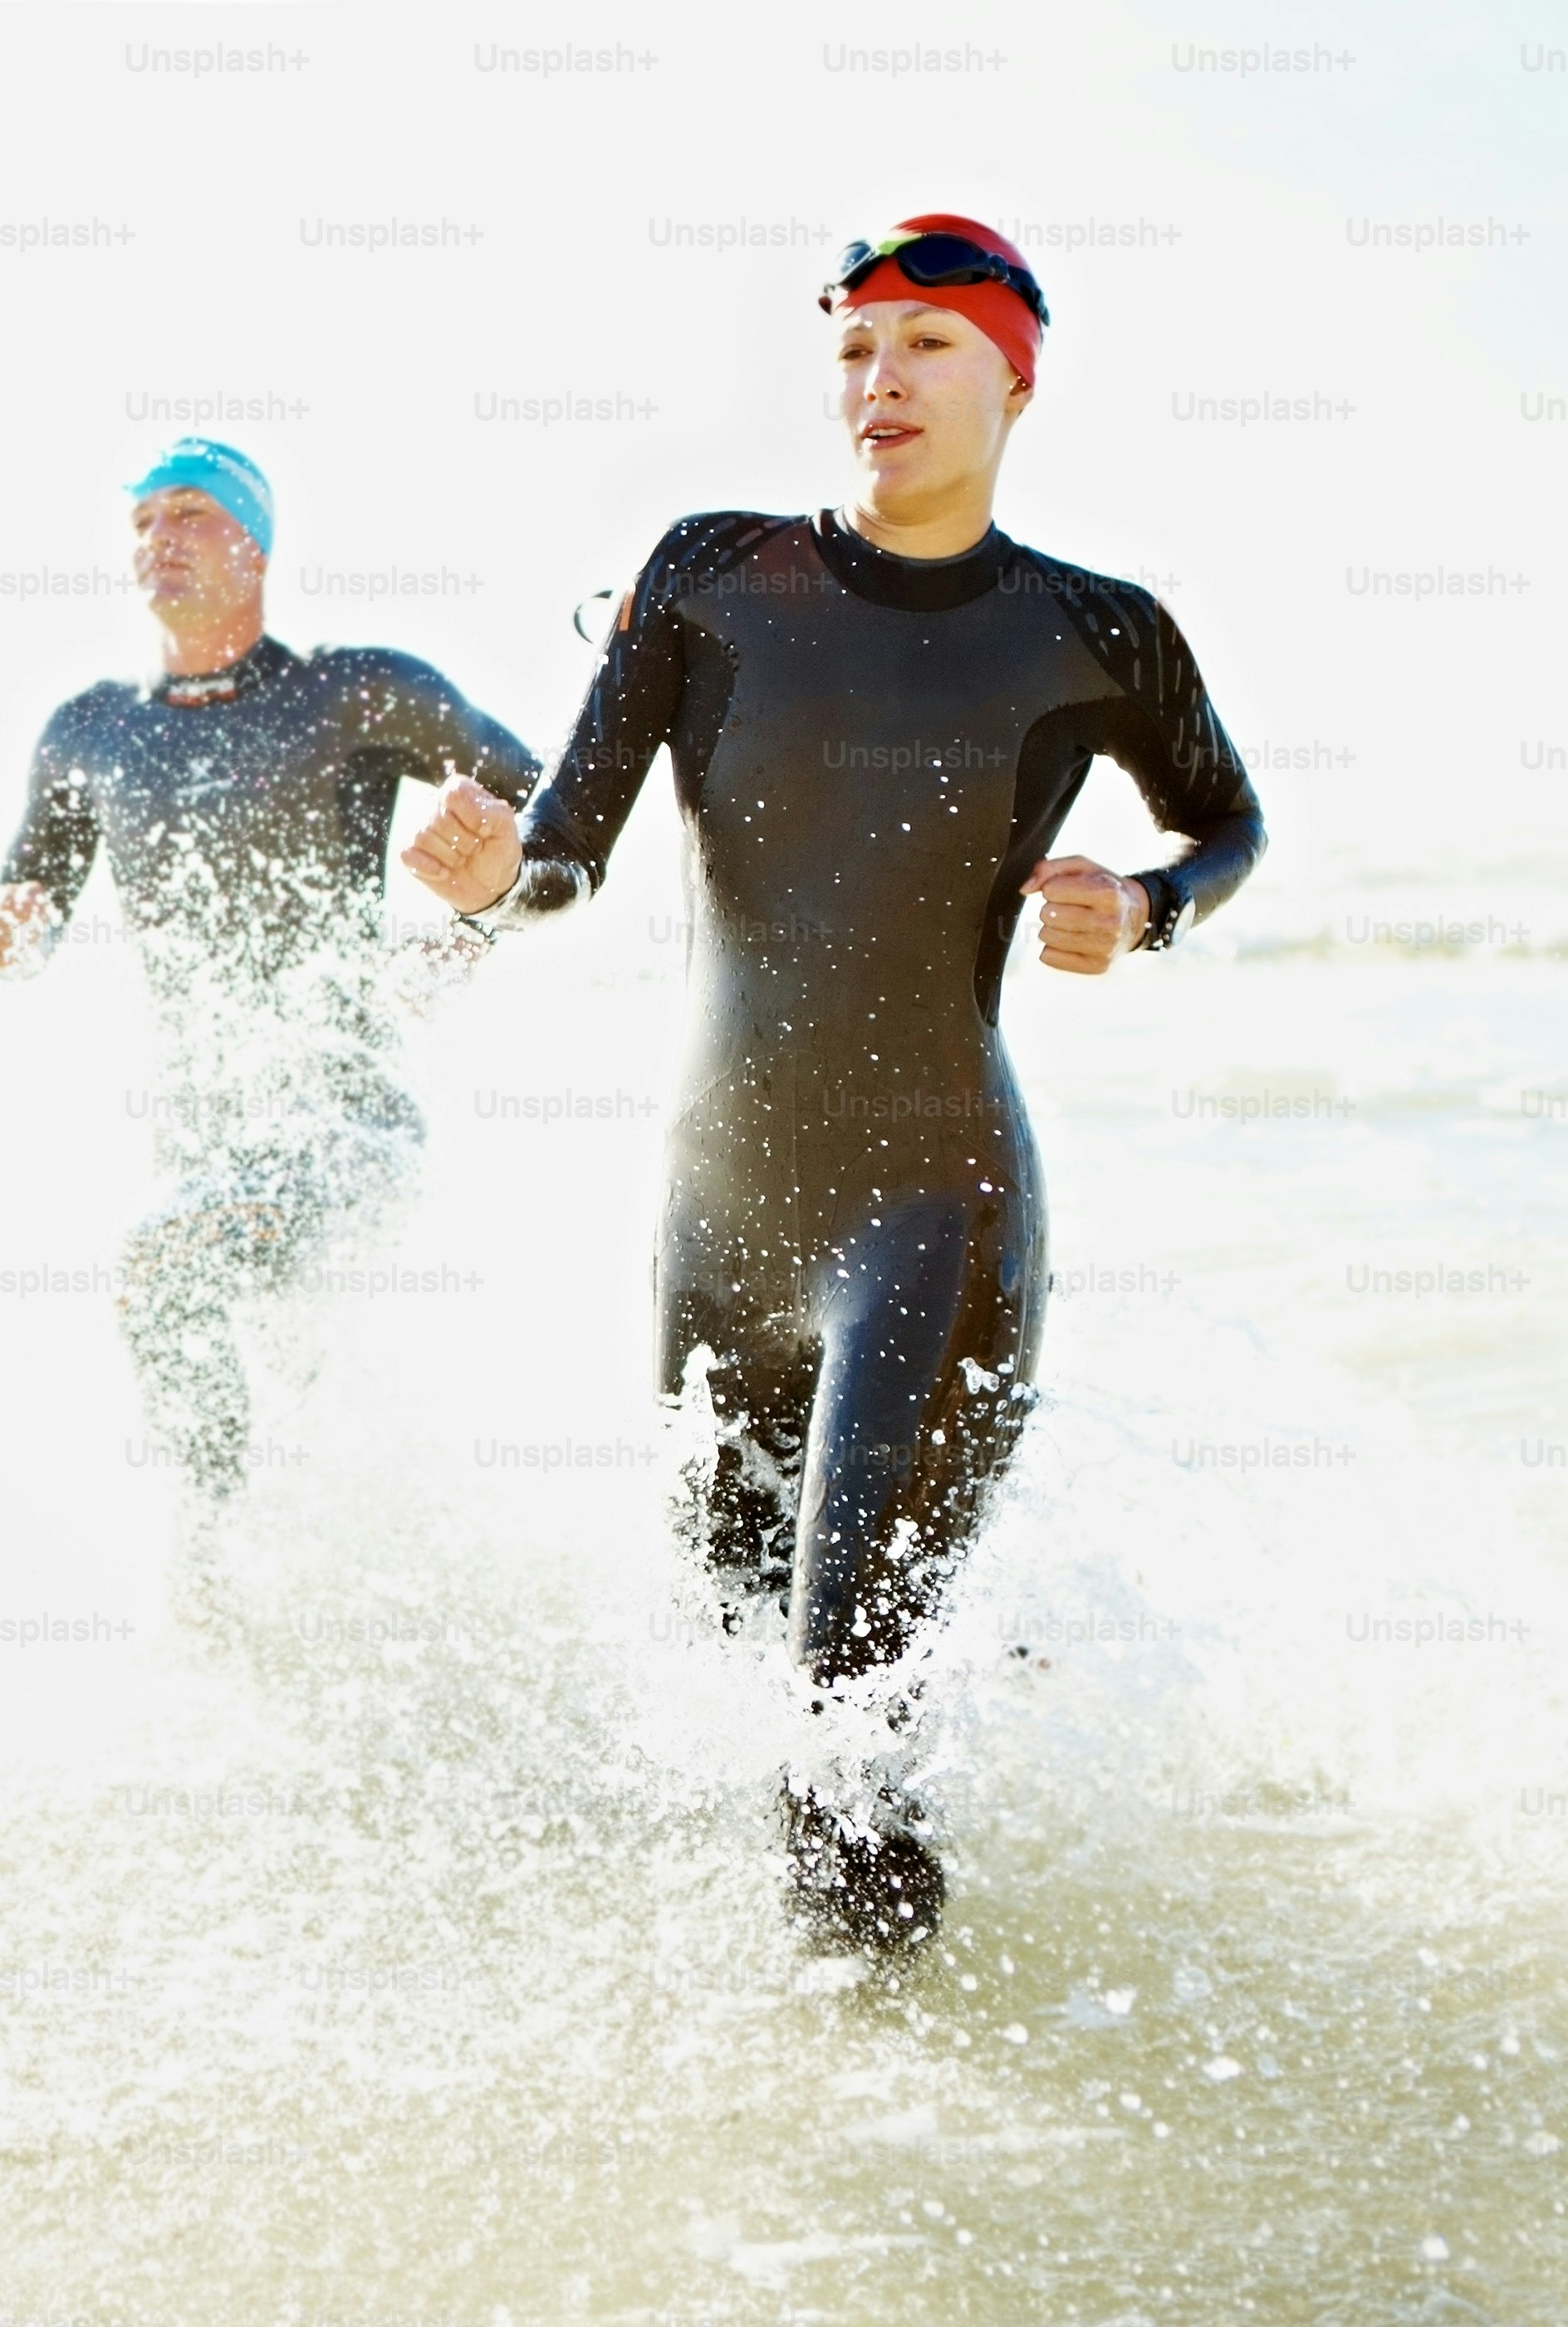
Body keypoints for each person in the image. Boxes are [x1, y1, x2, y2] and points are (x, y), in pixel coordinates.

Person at [399, 218, 1267, 1953]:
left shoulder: (1093, 631)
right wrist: (491, 878)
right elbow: (565, 852)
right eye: (855, 354)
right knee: (749, 1682)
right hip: (717, 1223)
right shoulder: (711, 577)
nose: (880, 385)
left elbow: (1223, 823)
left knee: (834, 1723)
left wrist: (1145, 910)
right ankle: (823, 2072)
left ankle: (889, 2128)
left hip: (930, 1214)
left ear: (1015, 378)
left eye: (926, 348)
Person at [0, 439, 539, 1521]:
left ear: (258, 540)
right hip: (202, 1137)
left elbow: (557, 807)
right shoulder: (91, 731)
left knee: (158, 1264)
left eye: (190, 514)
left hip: (345, 1120)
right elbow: (26, 916)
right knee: (302, 1408)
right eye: (143, 520)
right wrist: (7, 942)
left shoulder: (355, 692)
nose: (159, 541)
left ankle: (207, 1564)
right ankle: (307, 1600)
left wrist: (471, 924)